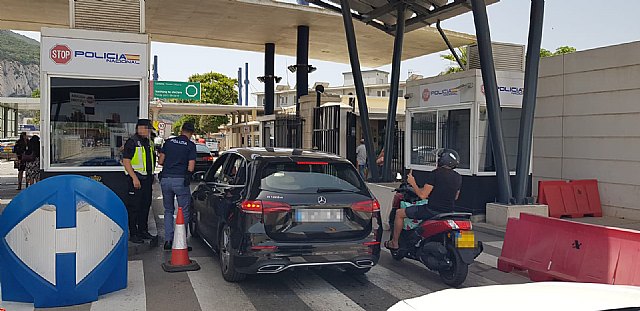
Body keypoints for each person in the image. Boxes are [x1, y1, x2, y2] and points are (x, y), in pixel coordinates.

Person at [385, 149, 462, 251]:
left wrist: (413, 183)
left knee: (399, 213)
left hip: (431, 210)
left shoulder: (435, 173)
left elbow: (422, 195)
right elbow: (455, 196)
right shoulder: (458, 177)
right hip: (449, 212)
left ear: (442, 160)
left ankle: (394, 243)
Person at [158, 122, 197, 250]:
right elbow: (191, 167)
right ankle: (180, 241)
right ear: (191, 133)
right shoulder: (190, 146)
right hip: (180, 180)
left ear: (181, 130)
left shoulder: (168, 142)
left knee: (168, 210)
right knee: (183, 210)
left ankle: (168, 240)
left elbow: (160, 161)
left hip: (165, 179)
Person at [122, 119, 156, 244]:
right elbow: (126, 161)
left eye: (149, 129)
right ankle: (134, 233)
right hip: (136, 179)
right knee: (134, 207)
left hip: (147, 179)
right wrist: (134, 178)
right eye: (146, 129)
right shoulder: (132, 142)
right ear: (139, 128)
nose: (148, 131)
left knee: (145, 206)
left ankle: (143, 230)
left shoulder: (149, 142)